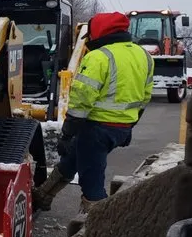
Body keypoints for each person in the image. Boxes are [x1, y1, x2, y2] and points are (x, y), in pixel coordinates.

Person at [34, 11, 154, 213]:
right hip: (120, 128)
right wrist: (129, 126)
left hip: (96, 128)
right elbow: (145, 96)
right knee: (72, 160)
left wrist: (67, 134)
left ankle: (96, 229)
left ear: (98, 32)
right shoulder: (144, 56)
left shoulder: (99, 57)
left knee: (92, 182)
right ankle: (43, 195)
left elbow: (82, 100)